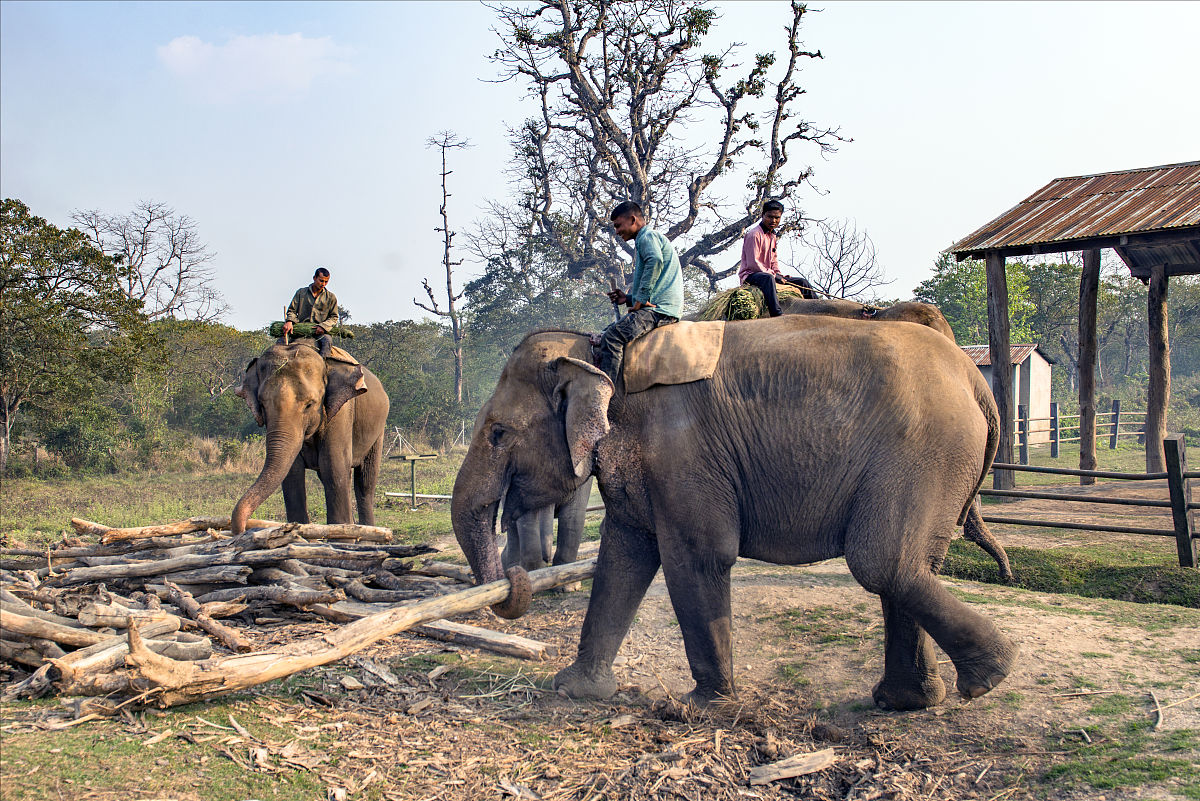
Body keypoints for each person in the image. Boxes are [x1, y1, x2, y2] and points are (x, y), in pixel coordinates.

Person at [599, 201, 683, 386]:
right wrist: (628, 299)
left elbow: (655, 261)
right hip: (658, 306)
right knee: (603, 334)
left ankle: (605, 394)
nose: (617, 232)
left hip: (660, 311)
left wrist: (641, 300)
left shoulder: (647, 237)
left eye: (618, 225)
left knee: (612, 337)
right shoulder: (647, 239)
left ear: (632, 219)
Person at [738, 199, 816, 316]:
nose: (773, 221)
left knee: (802, 282)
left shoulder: (772, 236)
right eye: (770, 217)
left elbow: (773, 260)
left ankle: (819, 307)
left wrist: (779, 275)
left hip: (769, 274)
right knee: (768, 278)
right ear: (762, 215)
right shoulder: (754, 235)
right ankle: (777, 314)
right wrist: (774, 276)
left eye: (777, 218)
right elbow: (754, 264)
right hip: (751, 275)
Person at [282, 267, 339, 357]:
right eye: (321, 281)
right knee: (280, 342)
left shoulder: (331, 297)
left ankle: (324, 365)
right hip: (299, 329)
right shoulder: (301, 293)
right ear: (314, 278)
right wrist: (289, 322)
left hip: (319, 332)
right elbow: (292, 310)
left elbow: (334, 317)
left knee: (328, 341)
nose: (323, 284)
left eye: (326, 282)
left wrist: (323, 327)